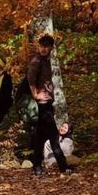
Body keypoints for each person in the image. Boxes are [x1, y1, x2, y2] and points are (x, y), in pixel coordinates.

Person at [27, 34, 71, 176]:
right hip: (43, 103)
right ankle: (64, 167)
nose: (43, 49)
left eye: (46, 46)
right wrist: (35, 94)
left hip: (47, 102)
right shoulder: (37, 61)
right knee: (53, 136)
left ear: (51, 48)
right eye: (41, 46)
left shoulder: (46, 60)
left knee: (40, 137)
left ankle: (37, 167)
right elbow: (30, 78)